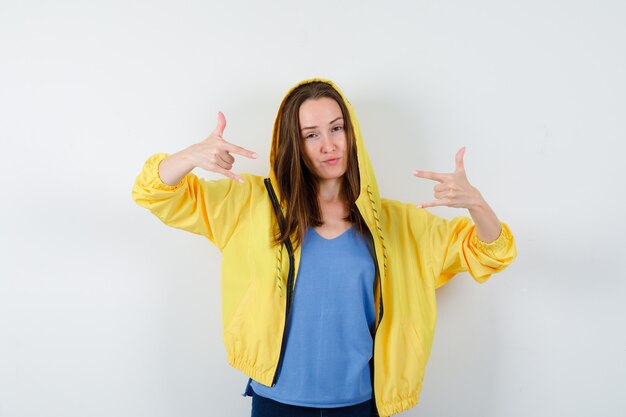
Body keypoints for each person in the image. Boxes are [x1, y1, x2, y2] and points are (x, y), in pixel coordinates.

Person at [132, 78, 517, 417]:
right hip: (275, 404)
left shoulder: (398, 224)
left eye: (337, 129)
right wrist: (188, 157)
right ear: (293, 143)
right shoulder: (250, 204)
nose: (329, 145)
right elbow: (156, 194)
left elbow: (489, 251)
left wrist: (476, 204)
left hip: (358, 405)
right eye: (311, 134)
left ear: (353, 135)